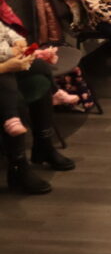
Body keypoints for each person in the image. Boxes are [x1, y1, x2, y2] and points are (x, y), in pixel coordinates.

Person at [1, 18, 75, 193]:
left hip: (5, 63)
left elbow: (6, 32)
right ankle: (18, 166)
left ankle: (43, 145)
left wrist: (19, 45)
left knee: (38, 80)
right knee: (14, 97)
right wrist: (5, 67)